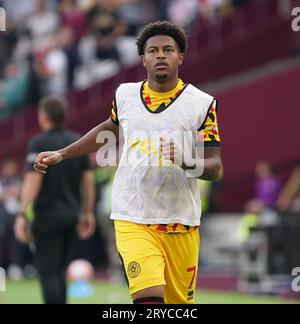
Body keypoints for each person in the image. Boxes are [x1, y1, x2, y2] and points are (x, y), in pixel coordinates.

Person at [33, 21, 222, 304]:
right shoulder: (125, 95)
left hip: (180, 221)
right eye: (153, 50)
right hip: (132, 216)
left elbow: (215, 168)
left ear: (180, 57)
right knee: (148, 296)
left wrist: (186, 161)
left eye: (168, 50)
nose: (160, 55)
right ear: (142, 58)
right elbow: (110, 129)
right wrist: (63, 153)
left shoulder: (201, 104)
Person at [14, 97, 96, 304]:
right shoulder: (77, 142)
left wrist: (22, 214)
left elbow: (33, 180)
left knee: (48, 271)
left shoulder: (38, 143)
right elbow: (88, 182)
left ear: (44, 116)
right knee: (60, 270)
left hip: (47, 217)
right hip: (71, 215)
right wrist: (87, 213)